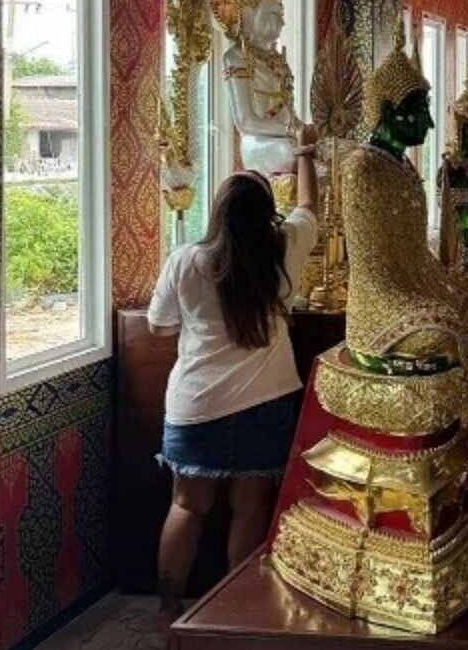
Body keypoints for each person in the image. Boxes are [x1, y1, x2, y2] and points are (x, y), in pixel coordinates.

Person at [148, 126, 321, 623]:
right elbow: (310, 204)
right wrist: (305, 150)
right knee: (250, 511)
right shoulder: (283, 250)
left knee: (186, 507)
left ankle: (167, 613)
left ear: (218, 213)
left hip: (195, 405)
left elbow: (159, 328)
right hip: (263, 405)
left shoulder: (186, 260)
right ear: (267, 215)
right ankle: (234, 617)